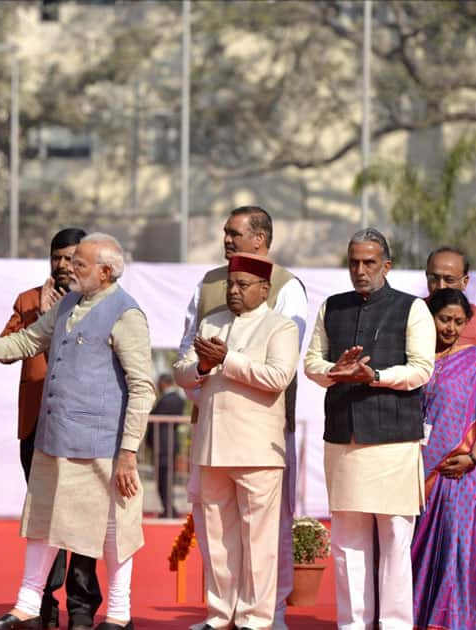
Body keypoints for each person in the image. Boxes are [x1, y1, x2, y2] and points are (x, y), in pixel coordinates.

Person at [0, 233, 154, 630]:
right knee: (41, 522)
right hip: (53, 437)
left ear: (106, 272)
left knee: (112, 527)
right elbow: (28, 339)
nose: (71, 269)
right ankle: (26, 605)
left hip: (102, 444)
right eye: (71, 262)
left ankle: (120, 614)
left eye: (81, 264)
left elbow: (142, 386)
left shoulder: (127, 314)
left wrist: (128, 451)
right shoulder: (70, 303)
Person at [177, 206, 307, 630]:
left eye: (242, 284)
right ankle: (220, 614)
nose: (232, 291)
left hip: (257, 448)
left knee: (259, 540)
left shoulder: (280, 326)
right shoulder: (212, 320)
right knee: (216, 538)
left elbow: (277, 377)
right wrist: (198, 368)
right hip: (212, 443)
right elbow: (182, 366)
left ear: (264, 287)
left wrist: (226, 360)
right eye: (230, 283)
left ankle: (257, 617)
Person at [304, 228, 435, 630]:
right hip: (344, 439)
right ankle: (353, 624)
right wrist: (336, 372)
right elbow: (312, 364)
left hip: (394, 441)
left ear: (387, 265)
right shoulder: (333, 307)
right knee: (347, 541)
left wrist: (373, 375)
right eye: (354, 262)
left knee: (396, 538)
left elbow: (421, 369)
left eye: (369, 262)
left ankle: (395, 624)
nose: (360, 270)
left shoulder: (411, 309)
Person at [0, 227, 103, 629]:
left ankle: (81, 606)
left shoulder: (98, 302)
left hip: (81, 424)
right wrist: (39, 316)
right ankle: (42, 603)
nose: (62, 265)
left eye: (70, 258)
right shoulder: (29, 300)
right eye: (56, 257)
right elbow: (8, 349)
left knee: (81, 517)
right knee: (44, 517)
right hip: (36, 423)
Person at [411, 288, 476, 630]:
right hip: (412, 471)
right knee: (412, 548)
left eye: (459, 321)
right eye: (444, 319)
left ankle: (451, 621)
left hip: (458, 473)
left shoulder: (473, 360)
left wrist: (473, 457)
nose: (451, 327)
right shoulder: (414, 358)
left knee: (454, 545)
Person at [424, 246, 476, 345]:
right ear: (427, 276)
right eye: (434, 278)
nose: (441, 286)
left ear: (465, 282)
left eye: (449, 280)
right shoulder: (411, 313)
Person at [148, 374, 184, 518]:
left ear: (163, 383)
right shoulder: (176, 399)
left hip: (164, 446)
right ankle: (168, 508)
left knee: (165, 479)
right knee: (164, 478)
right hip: (165, 445)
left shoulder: (171, 399)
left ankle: (169, 509)